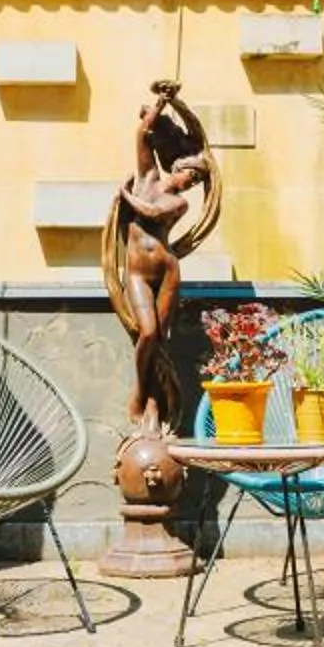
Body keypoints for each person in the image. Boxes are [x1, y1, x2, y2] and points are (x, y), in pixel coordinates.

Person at [107, 80, 215, 429]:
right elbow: (143, 133)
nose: (191, 182)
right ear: (177, 166)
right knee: (148, 334)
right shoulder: (147, 175)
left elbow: (152, 215)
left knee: (161, 344)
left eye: (197, 180)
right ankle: (141, 394)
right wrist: (164, 102)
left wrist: (125, 197)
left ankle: (159, 405)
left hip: (167, 271)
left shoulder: (178, 203)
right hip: (137, 272)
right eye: (190, 173)